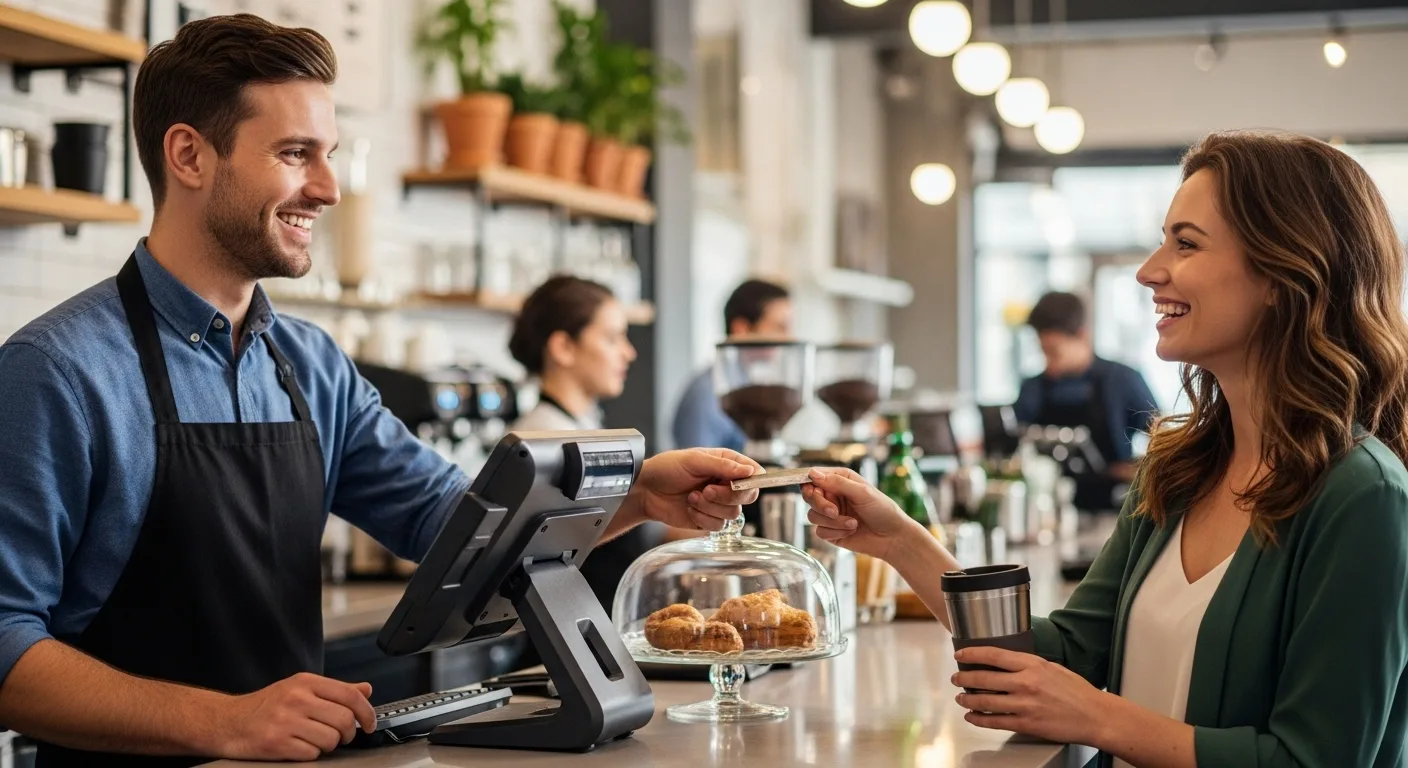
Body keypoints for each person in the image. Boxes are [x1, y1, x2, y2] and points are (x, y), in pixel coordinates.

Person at [0, 15, 760, 767]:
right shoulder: (57, 370)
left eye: (327, 155)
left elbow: (456, 528)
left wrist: (638, 495)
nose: (328, 189)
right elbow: (5, 645)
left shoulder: (311, 364)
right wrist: (227, 723)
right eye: (297, 154)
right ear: (189, 155)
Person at [802, 130, 1408, 767]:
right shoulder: (1181, 472)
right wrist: (899, 539)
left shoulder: (1363, 496)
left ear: (1283, 276)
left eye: (1186, 242)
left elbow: (1319, 758)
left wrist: (1095, 716)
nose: (1150, 270)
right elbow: (1060, 654)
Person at [1014, 291, 1159, 510]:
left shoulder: (1122, 380)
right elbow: (1011, 440)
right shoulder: (1033, 387)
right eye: (1044, 352)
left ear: (1082, 336)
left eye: (1055, 352)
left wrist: (1133, 470)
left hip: (1114, 510)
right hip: (1048, 509)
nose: (1049, 364)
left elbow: (1162, 437)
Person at [672, 279, 793, 451]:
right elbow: (697, 470)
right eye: (780, 327)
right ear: (741, 329)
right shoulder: (707, 395)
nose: (788, 338)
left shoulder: (744, 382)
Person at [509, 275, 636, 433]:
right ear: (563, 347)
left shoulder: (577, 425)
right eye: (612, 339)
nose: (629, 354)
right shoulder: (545, 439)